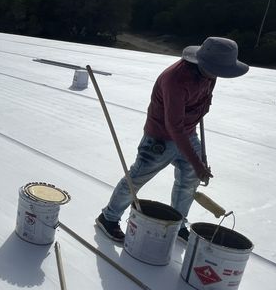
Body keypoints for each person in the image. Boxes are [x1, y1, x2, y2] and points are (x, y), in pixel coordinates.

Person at [95, 37, 249, 243]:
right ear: (204, 63)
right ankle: (108, 218)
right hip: (160, 138)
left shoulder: (210, 73)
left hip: (188, 133)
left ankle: (178, 223)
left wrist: (198, 161)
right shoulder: (175, 79)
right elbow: (173, 126)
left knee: (189, 180)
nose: (220, 75)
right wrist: (198, 163)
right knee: (137, 178)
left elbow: (199, 108)